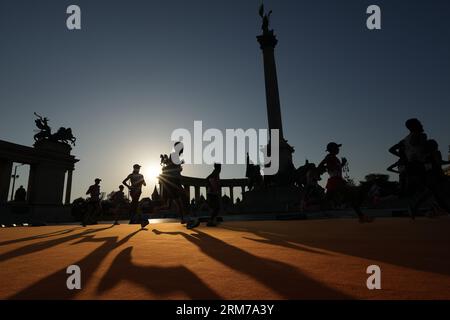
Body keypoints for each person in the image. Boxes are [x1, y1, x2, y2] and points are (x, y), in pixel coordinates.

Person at [317, 142, 373, 223]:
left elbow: (336, 168)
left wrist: (342, 164)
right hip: (335, 181)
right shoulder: (329, 157)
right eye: (337, 148)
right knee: (351, 196)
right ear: (332, 149)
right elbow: (321, 165)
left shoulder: (335, 158)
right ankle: (361, 216)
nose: (338, 149)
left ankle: (307, 204)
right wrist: (328, 168)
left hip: (337, 181)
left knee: (327, 199)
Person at [122, 164, 148, 228]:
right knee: (135, 205)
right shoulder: (132, 175)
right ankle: (143, 220)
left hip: (137, 192)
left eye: (139, 168)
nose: (139, 169)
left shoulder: (139, 175)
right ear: (134, 168)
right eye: (138, 168)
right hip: (134, 191)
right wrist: (129, 186)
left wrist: (129, 186)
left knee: (135, 205)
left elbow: (144, 184)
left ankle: (135, 219)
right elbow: (124, 181)